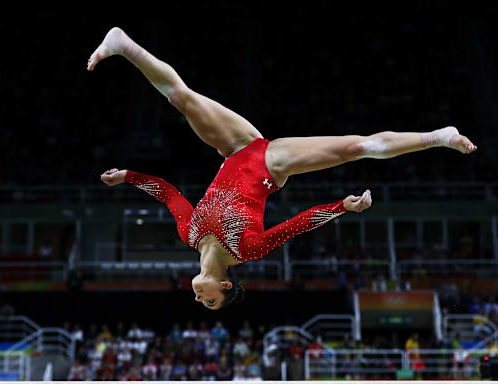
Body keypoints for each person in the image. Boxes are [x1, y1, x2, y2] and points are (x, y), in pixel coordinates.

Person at [91, 27, 477, 310]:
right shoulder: (247, 250)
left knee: (183, 100)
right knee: (358, 148)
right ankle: (438, 137)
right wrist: (344, 206)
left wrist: (126, 177)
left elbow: (168, 193)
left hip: (237, 146)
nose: (199, 298)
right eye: (210, 302)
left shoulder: (189, 234)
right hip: (270, 162)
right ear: (225, 285)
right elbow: (299, 224)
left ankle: (123, 45)